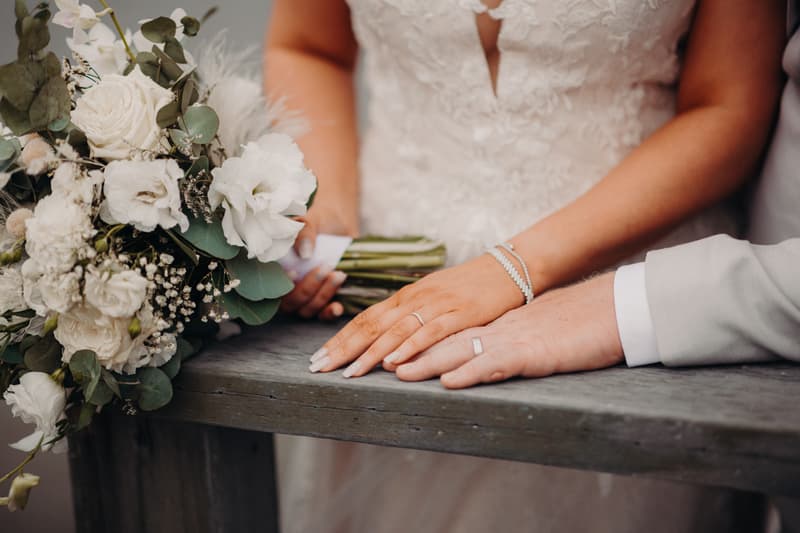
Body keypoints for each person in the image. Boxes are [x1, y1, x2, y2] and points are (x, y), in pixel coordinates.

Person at [264, 1, 786, 532]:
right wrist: (324, 213)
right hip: (382, 299)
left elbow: (727, 106)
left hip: (619, 295)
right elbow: (310, 48)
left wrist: (508, 269)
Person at [393, 7, 800, 388]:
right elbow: (326, 54)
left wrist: (510, 267)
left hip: (630, 288)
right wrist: (331, 222)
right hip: (386, 283)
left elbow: (728, 104)